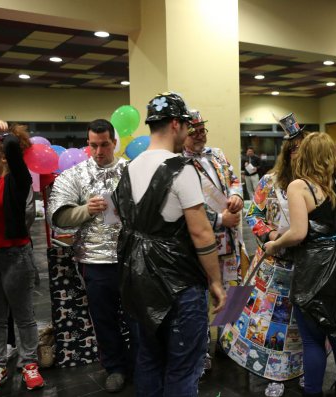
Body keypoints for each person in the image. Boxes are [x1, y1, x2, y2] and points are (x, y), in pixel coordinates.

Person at [112, 91, 226, 396]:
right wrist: (215, 281)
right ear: (176, 124)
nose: (189, 131)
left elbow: (122, 221)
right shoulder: (181, 169)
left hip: (137, 281)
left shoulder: (128, 169)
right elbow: (202, 234)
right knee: (183, 367)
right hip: (180, 286)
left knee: (148, 359)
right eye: (188, 125)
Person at [264, 132, 336, 397]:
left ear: (306, 155)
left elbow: (298, 233)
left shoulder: (299, 187)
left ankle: (312, 392)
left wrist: (275, 244)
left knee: (313, 341)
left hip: (314, 270)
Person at [220, 113, 307, 397]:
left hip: (306, 265)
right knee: (269, 324)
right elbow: (253, 213)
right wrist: (271, 236)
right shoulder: (268, 181)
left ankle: (307, 368)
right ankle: (274, 375)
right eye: (292, 149)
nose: (297, 154)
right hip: (271, 264)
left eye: (302, 149)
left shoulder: (315, 184)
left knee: (302, 322)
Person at [47, 119, 132, 392]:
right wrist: (86, 210)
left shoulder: (131, 171)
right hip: (95, 262)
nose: (98, 151)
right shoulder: (75, 174)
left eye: (104, 144)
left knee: (138, 317)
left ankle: (143, 364)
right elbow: (57, 217)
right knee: (104, 318)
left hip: (131, 257)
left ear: (114, 143)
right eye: (93, 145)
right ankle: (115, 368)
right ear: (88, 143)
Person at [182, 108, 247, 371]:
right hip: (200, 242)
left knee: (233, 292)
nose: (200, 136)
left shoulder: (217, 154)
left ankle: (227, 343)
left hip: (230, 239)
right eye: (194, 132)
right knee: (200, 298)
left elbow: (234, 179)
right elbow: (186, 205)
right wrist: (219, 219)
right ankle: (201, 352)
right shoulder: (177, 162)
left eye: (202, 131)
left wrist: (237, 196)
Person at [0, 120, 45, 392]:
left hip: (14, 255)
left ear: (4, 158)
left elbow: (11, 146)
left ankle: (29, 363)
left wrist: (4, 132)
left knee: (23, 315)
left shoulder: (15, 181)